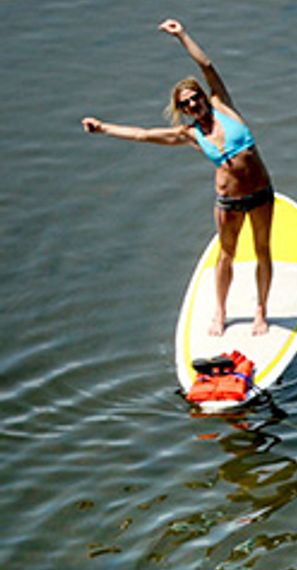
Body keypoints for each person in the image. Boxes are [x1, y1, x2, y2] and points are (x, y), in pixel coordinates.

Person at [81, 19, 275, 338]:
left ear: (202, 95)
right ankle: (221, 312)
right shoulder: (190, 134)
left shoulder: (222, 105)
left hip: (261, 193)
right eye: (185, 104)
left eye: (194, 98)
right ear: (183, 110)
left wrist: (181, 35)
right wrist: (103, 128)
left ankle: (260, 312)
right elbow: (143, 135)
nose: (192, 105)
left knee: (262, 249)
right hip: (228, 201)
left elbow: (207, 64)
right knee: (227, 255)